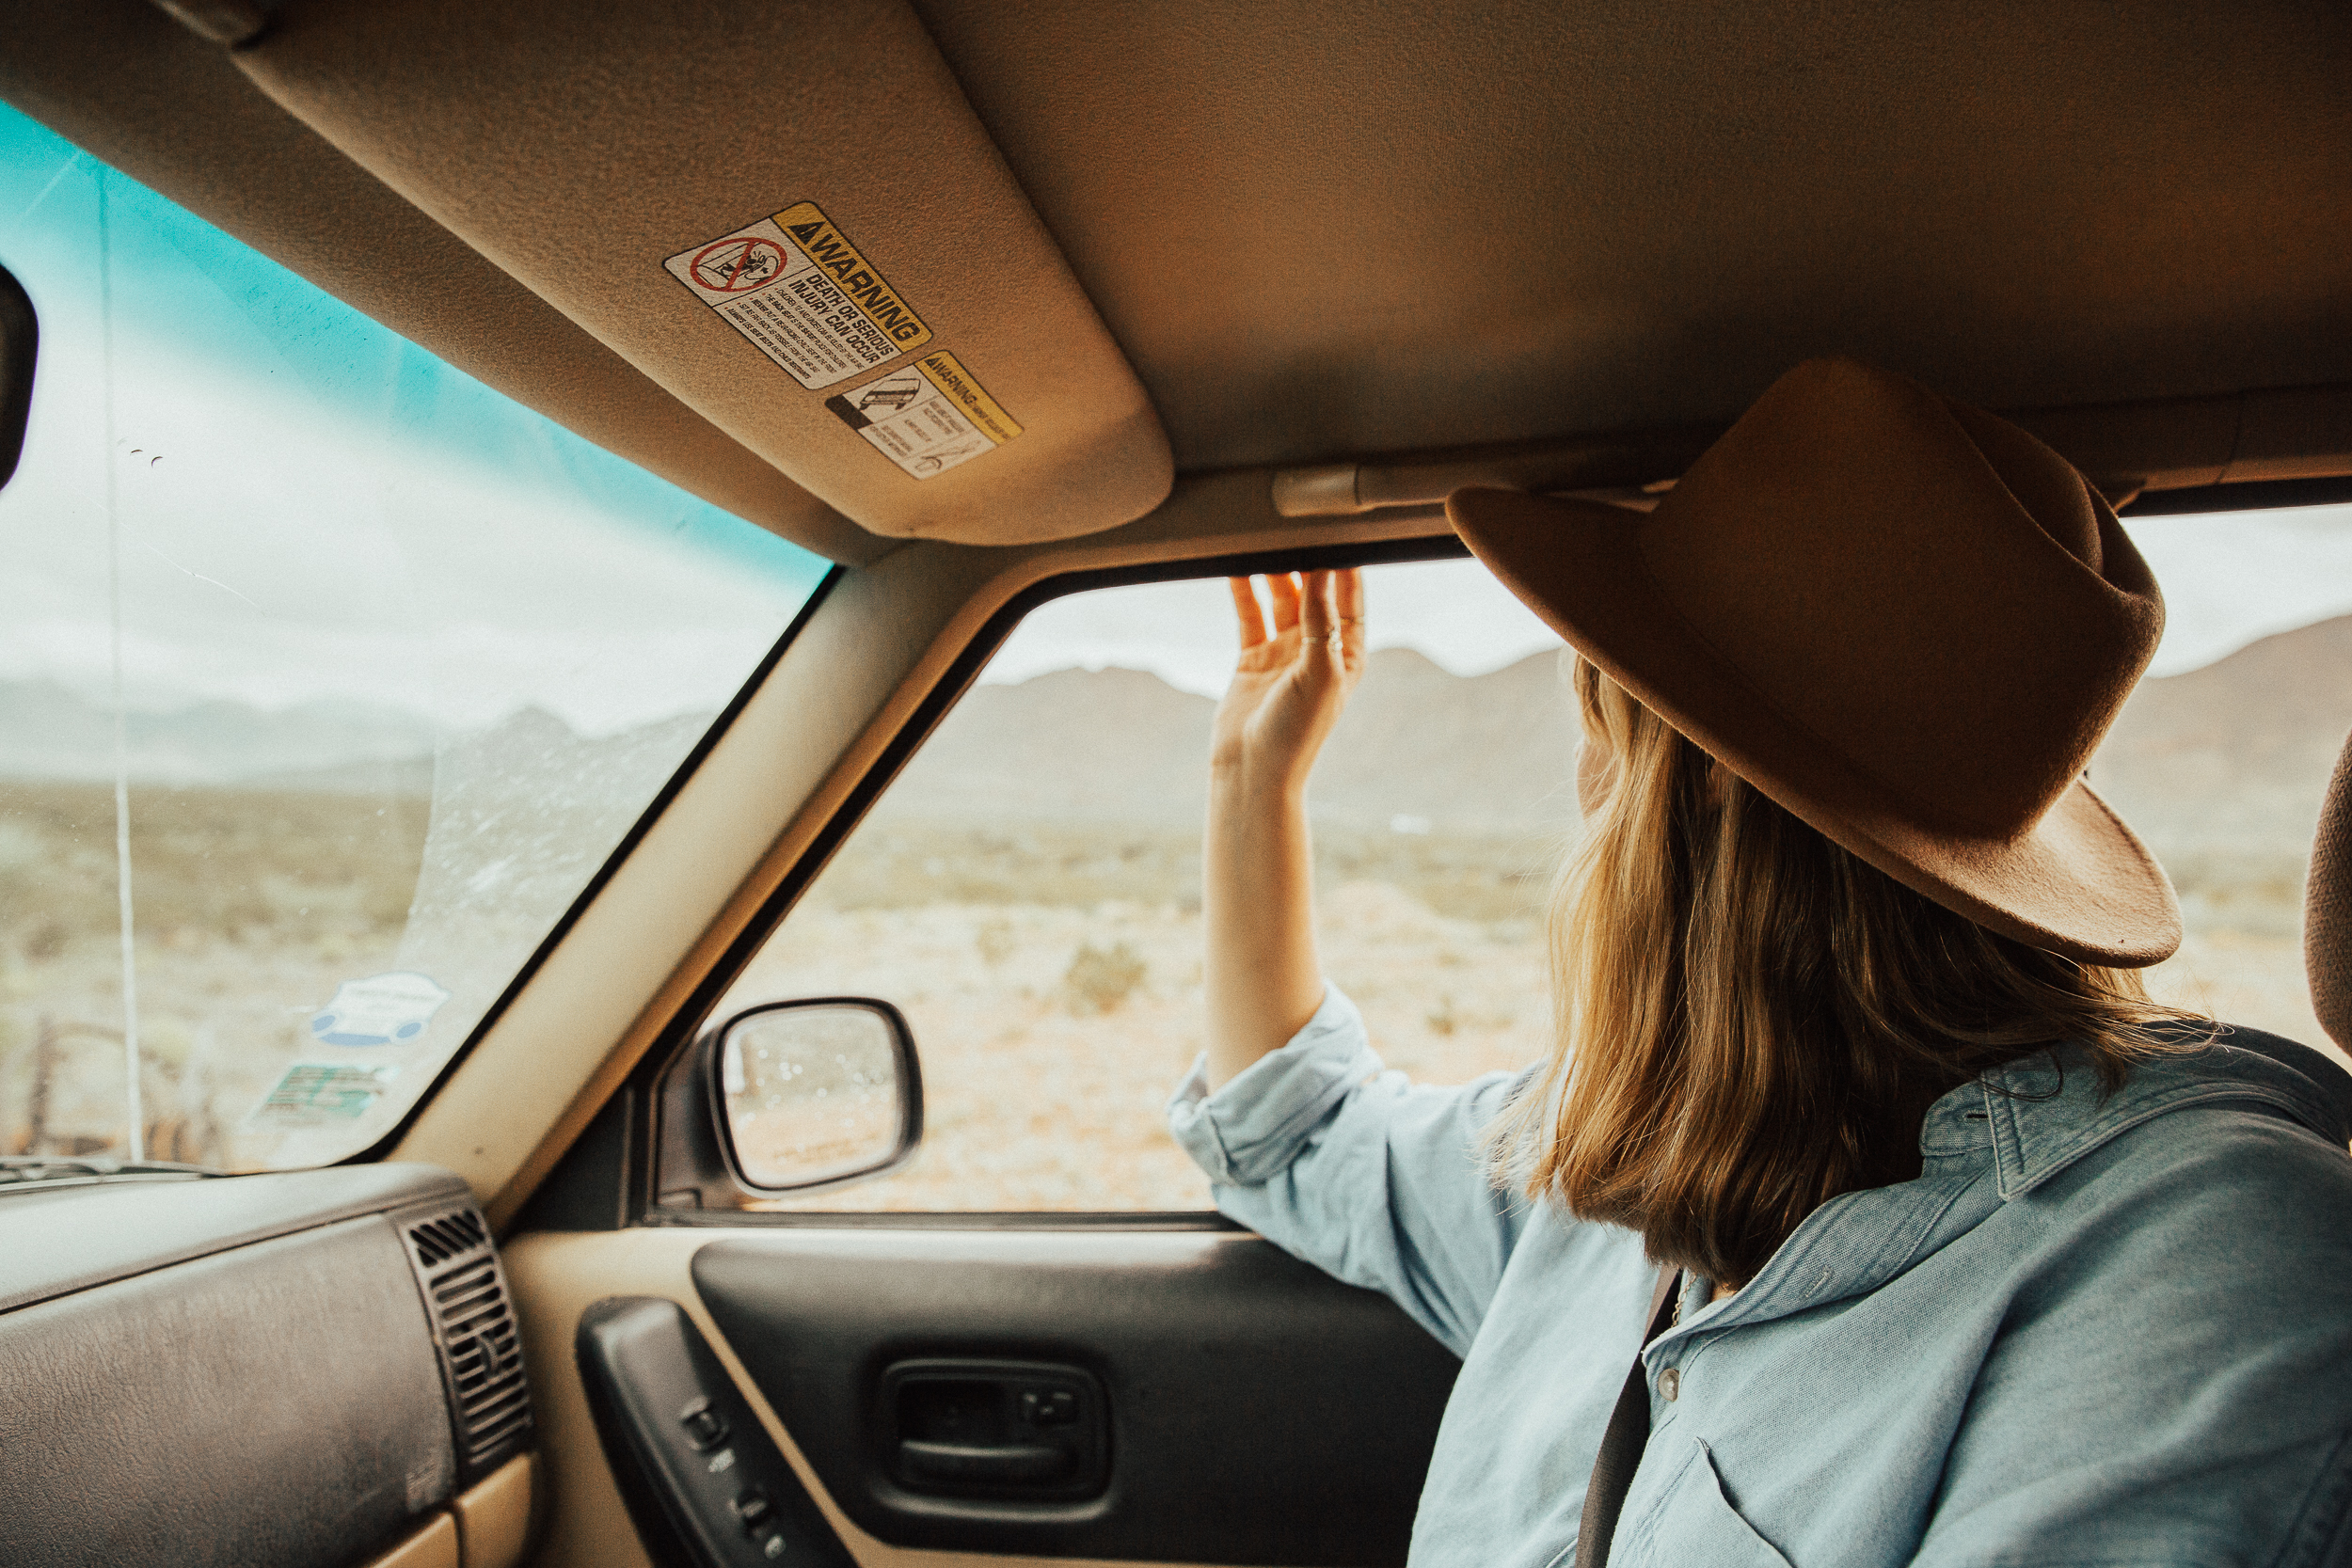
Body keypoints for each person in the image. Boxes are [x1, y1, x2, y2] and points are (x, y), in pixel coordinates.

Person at [1168, 359, 2352, 1566]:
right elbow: (1297, 1130)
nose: (1580, 805)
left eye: (1603, 743)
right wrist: (1249, 781)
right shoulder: (1630, 1154)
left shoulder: (2216, 1262)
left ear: (1684, 825)